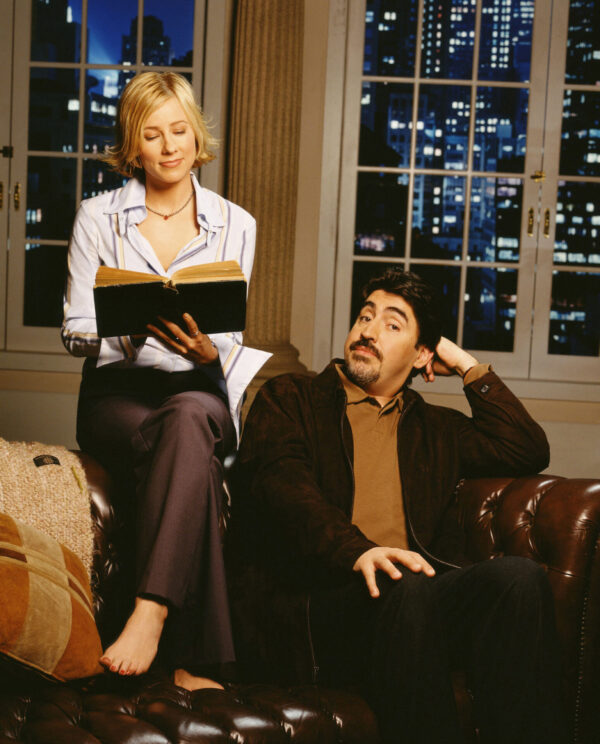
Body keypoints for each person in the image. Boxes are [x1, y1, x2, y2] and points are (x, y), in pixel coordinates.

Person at [228, 268, 567, 743]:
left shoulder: (433, 428)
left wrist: (464, 363)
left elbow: (526, 448)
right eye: (365, 316)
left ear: (422, 354)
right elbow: (285, 490)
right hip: (319, 605)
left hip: (414, 603)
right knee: (405, 583)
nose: (368, 331)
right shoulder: (291, 398)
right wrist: (358, 551)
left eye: (392, 324)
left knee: (519, 578)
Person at [62, 71, 270, 691]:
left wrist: (208, 349)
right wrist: (128, 331)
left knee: (189, 416)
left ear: (196, 135)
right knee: (189, 447)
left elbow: (230, 334)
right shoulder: (98, 216)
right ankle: (192, 661)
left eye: (179, 130)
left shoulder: (237, 222)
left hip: (199, 387)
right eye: (152, 135)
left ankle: (147, 613)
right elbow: (74, 329)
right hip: (117, 394)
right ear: (134, 145)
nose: (169, 146)